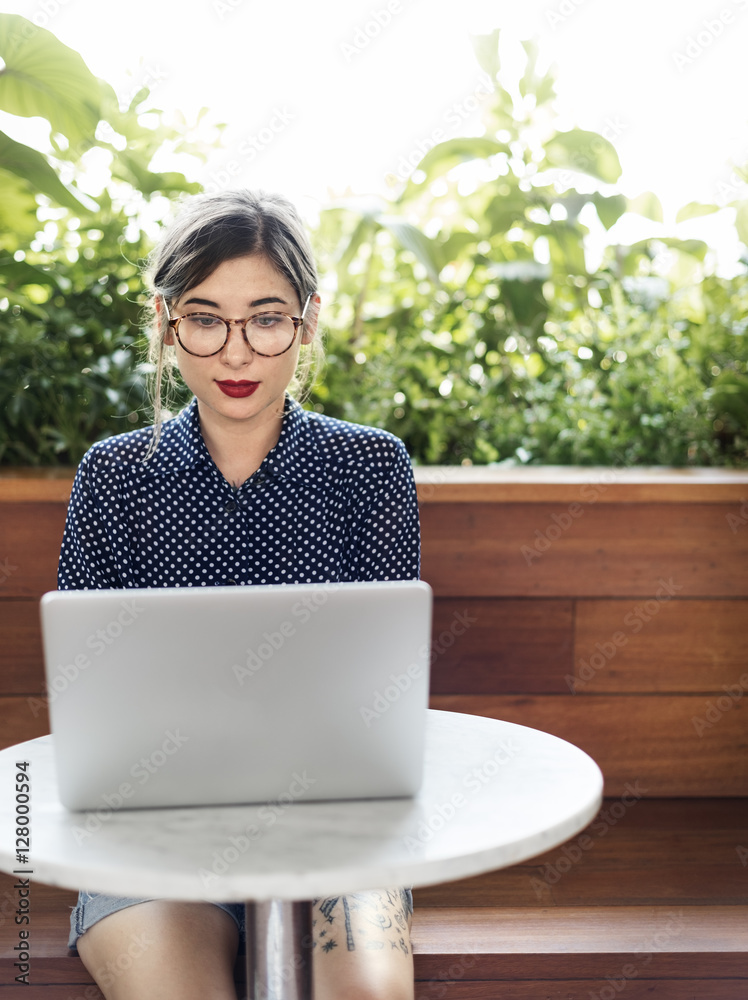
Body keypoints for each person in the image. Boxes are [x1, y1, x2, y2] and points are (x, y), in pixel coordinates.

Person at [58, 189, 421, 999]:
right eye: (204, 318)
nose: (236, 353)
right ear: (166, 322)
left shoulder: (370, 469)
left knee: (364, 994)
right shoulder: (116, 477)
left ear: (307, 320)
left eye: (265, 318)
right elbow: (86, 692)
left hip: (338, 830)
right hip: (150, 836)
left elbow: (384, 687)